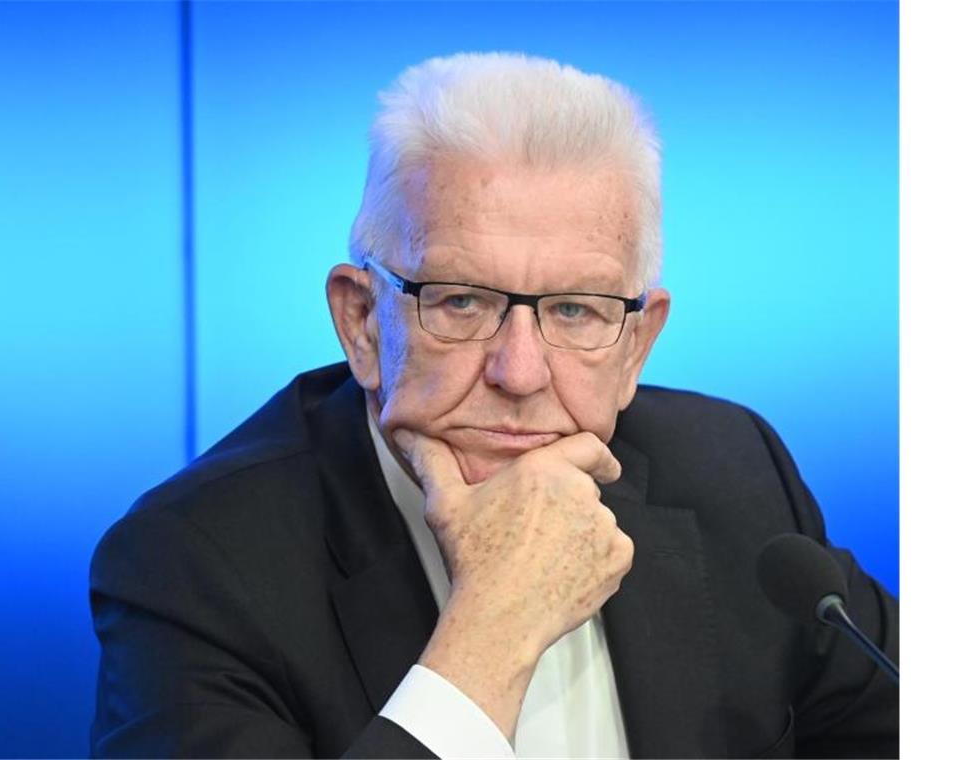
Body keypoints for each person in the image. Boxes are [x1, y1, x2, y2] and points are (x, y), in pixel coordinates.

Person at [89, 52, 898, 758]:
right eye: (462, 302)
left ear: (635, 347)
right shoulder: (195, 566)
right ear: (363, 322)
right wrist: (493, 631)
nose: (518, 372)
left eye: (576, 310)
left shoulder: (734, 472)